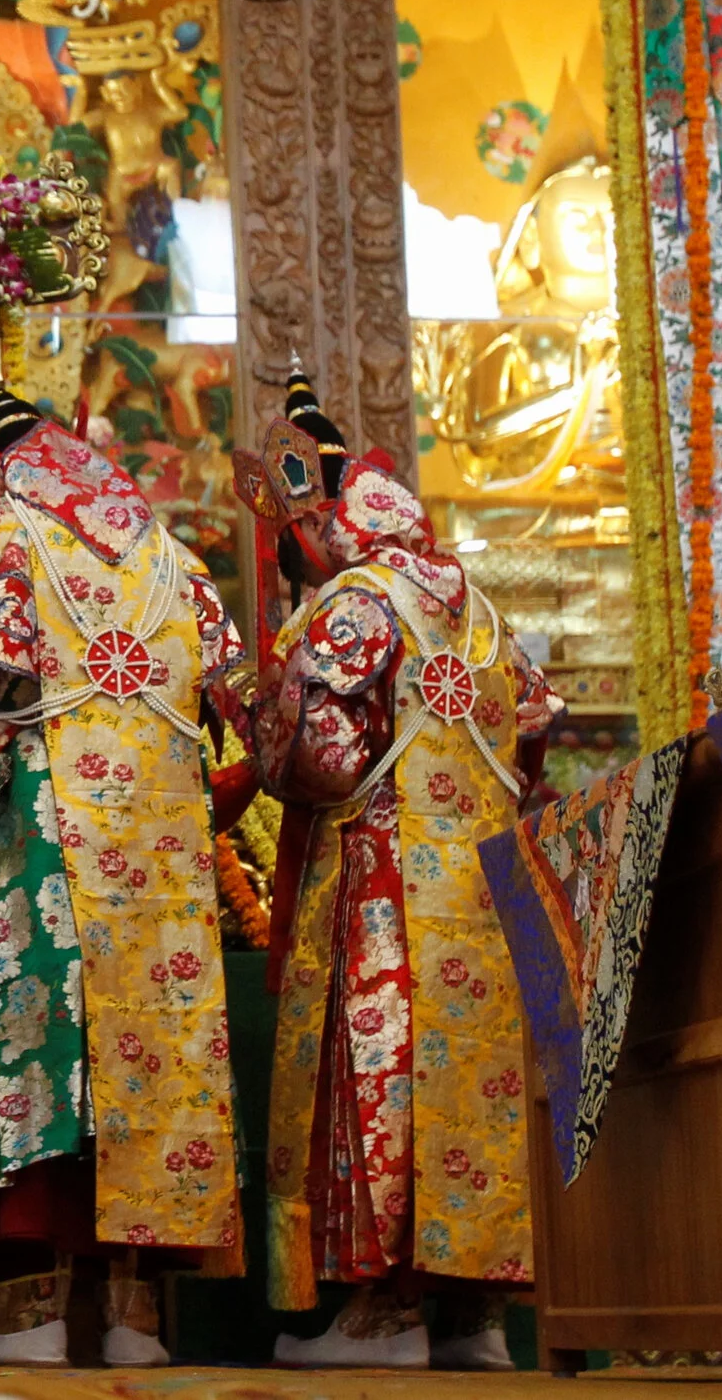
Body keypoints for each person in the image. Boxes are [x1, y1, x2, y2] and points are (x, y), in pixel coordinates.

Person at [0, 385, 251, 1368]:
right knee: (154, 1047)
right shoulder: (173, 556)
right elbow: (231, 701)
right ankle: (135, 1315)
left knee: (40, 1038)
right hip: (162, 837)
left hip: (41, 814)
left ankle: (31, 1309)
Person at [234, 386, 563, 1371]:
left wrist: (267, 735)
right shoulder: (479, 609)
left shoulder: (354, 606)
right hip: (480, 890)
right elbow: (538, 723)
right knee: (476, 1089)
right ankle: (475, 1320)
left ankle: (383, 1314)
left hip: (382, 884)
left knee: (379, 1078)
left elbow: (321, 755)